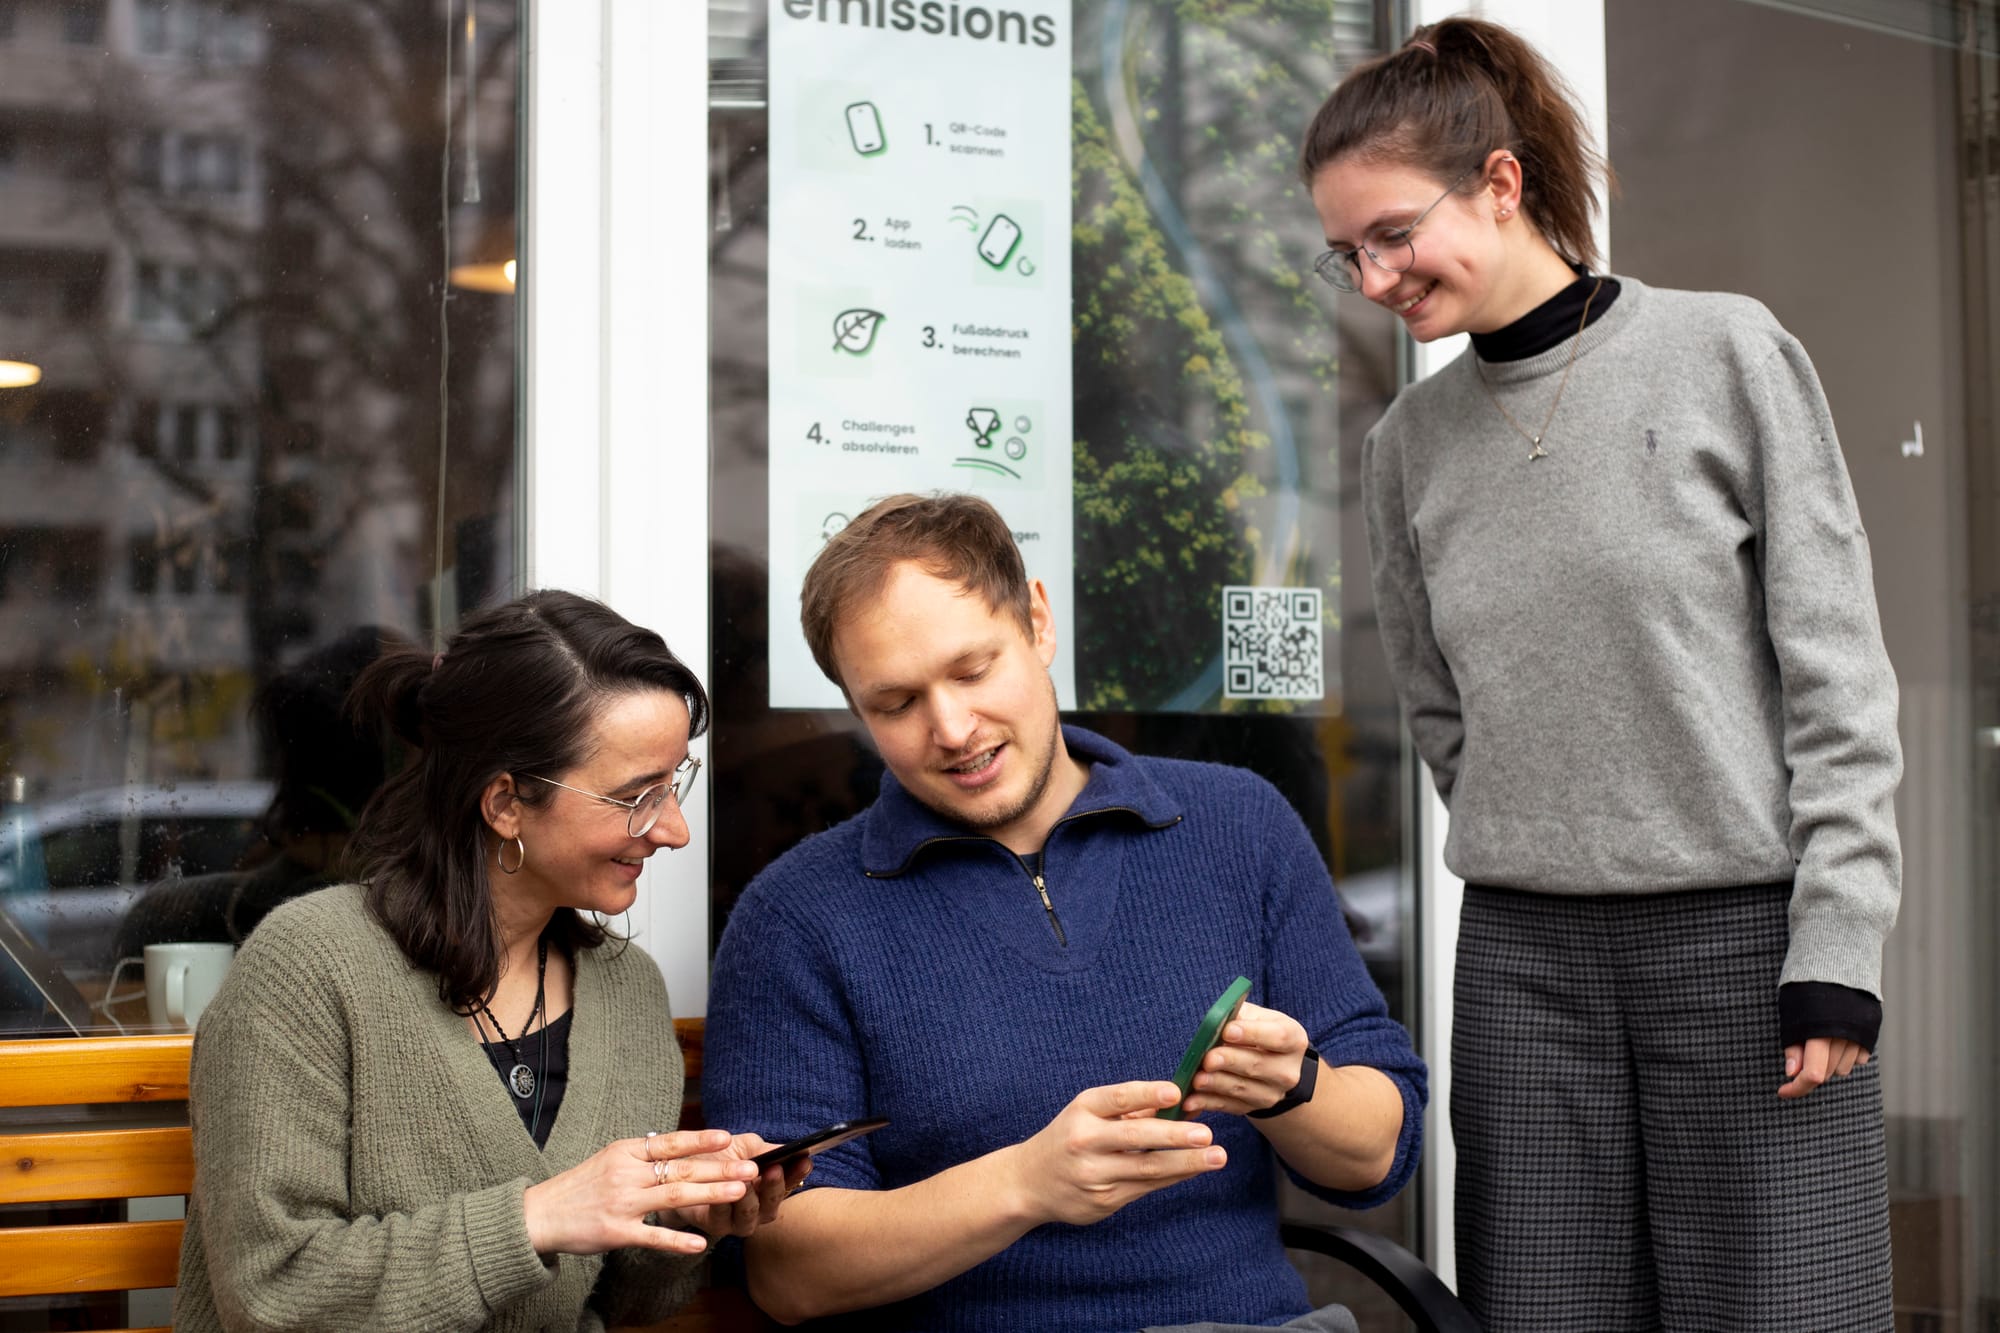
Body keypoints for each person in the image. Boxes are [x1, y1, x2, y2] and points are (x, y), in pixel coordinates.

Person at [1300, 18, 1900, 1332]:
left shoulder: (1725, 354)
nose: (1375, 277)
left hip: (1744, 944)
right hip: (1523, 964)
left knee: (1778, 1309)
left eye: (1393, 234)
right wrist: (1542, 821)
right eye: (1348, 253)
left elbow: (1838, 681)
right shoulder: (1406, 446)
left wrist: (1837, 937)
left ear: (1498, 183)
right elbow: (1441, 711)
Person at [704, 493, 1427, 1332]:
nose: (952, 727)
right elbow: (788, 1271)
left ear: (1039, 623)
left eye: (973, 670)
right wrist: (1024, 1184)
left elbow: (1379, 1152)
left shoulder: (1240, 825)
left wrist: (1294, 1088)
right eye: (896, 703)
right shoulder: (797, 917)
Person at [174, 590, 806, 1332]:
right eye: (636, 796)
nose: (673, 829)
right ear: (505, 803)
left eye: (675, 784)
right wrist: (537, 1218)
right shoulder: (308, 969)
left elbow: (620, 1301)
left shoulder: (628, 989)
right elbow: (272, 1292)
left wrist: (683, 1220)